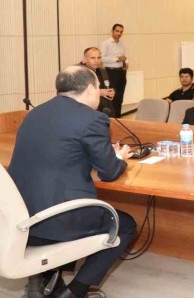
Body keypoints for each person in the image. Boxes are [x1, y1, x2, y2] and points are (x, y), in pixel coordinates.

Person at [8, 66, 136, 298]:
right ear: (90, 89)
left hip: (19, 221)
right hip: (56, 223)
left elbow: (60, 152)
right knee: (125, 224)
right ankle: (74, 292)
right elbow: (109, 173)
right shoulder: (93, 119)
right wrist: (118, 158)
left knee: (69, 200)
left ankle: (48, 280)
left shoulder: (34, 114)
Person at [100, 24, 128, 117]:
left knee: (119, 97)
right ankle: (111, 118)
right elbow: (101, 58)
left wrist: (126, 63)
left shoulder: (122, 44)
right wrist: (116, 59)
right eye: (117, 31)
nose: (119, 33)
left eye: (121, 32)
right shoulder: (106, 43)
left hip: (121, 72)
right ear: (112, 31)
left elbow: (124, 57)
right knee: (111, 97)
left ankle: (118, 118)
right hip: (111, 72)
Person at [80, 47, 114, 115]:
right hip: (86, 111)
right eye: (93, 58)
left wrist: (111, 92)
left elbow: (107, 86)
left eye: (99, 58)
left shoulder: (102, 71)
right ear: (84, 59)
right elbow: (76, 92)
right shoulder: (78, 72)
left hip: (105, 110)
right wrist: (99, 92)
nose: (96, 61)